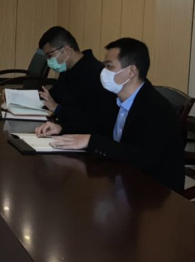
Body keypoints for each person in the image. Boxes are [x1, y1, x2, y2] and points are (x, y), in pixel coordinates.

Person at [36, 38, 185, 191]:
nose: (103, 72)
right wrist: (61, 128)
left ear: (131, 72)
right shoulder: (115, 97)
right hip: (121, 177)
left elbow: (143, 157)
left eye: (109, 66)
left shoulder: (156, 108)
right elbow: (97, 125)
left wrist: (92, 141)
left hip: (153, 191)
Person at [38, 26, 116, 135]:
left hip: (84, 137)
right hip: (64, 129)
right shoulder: (67, 69)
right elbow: (53, 96)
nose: (48, 61)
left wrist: (57, 108)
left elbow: (92, 120)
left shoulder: (97, 74)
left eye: (50, 56)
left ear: (67, 50)